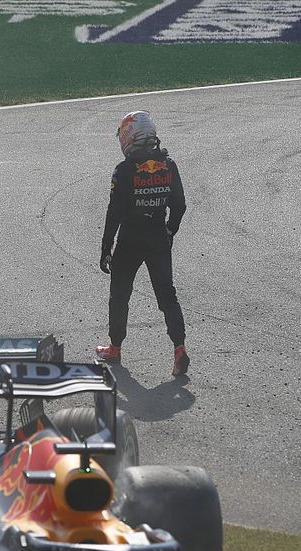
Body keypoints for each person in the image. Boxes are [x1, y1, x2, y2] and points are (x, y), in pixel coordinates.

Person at [95, 110, 189, 376]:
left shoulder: (124, 170)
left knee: (120, 295)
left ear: (129, 138)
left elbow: (114, 213)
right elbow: (179, 205)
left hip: (130, 240)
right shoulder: (168, 166)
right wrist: (170, 231)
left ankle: (115, 348)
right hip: (158, 237)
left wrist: (106, 247)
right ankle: (179, 348)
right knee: (167, 295)